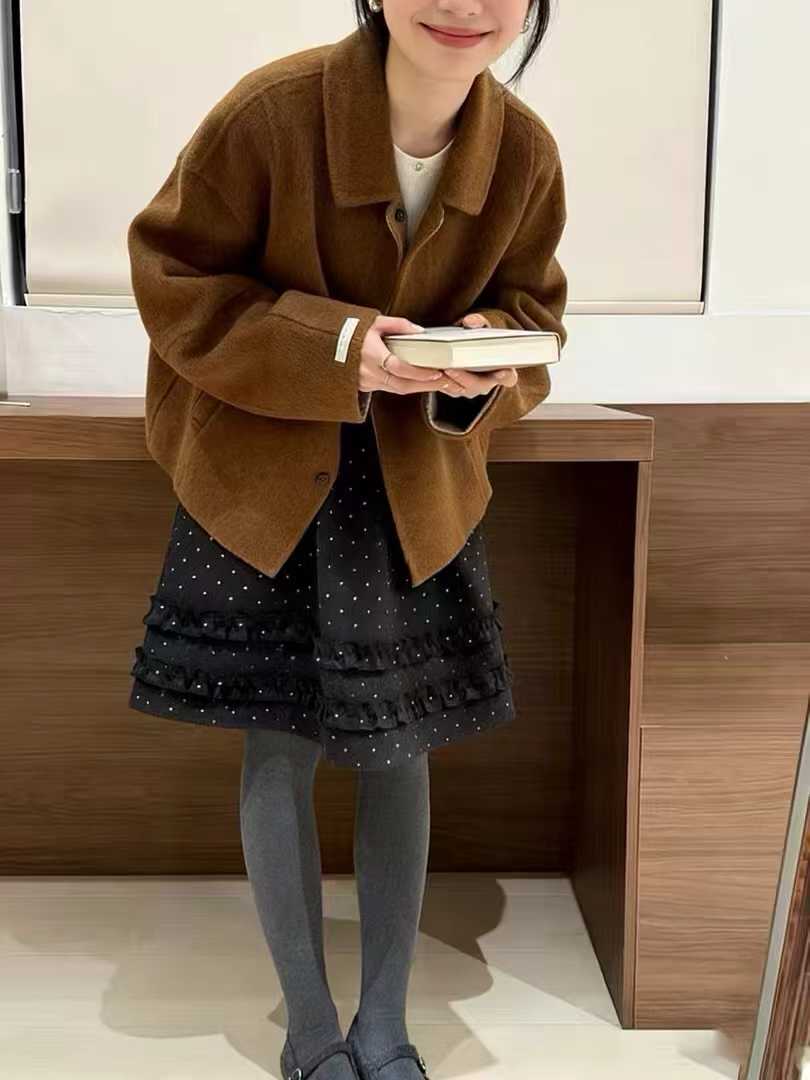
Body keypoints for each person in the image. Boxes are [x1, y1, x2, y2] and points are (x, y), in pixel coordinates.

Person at [126, 3, 567, 1078]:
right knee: (278, 741)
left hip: (413, 484)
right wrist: (337, 348)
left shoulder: (524, 153)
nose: (465, 6)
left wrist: (481, 357)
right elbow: (171, 281)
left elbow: (536, 319)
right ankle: (310, 1028)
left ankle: (386, 1024)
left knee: (399, 745)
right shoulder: (272, 112)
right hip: (265, 477)